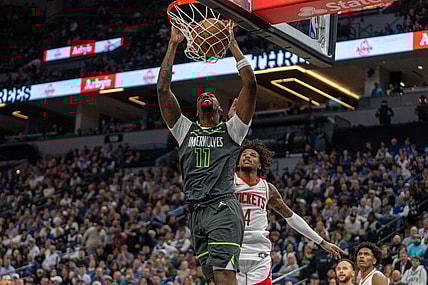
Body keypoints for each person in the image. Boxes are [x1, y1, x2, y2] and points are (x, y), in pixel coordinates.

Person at [157, 24, 257, 285]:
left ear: (221, 111)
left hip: (221, 206)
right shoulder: (184, 130)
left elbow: (251, 84)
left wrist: (232, 44)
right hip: (196, 212)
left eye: (213, 96)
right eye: (203, 95)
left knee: (224, 277)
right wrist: (173, 45)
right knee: (213, 278)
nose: (207, 95)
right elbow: (162, 91)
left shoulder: (232, 131)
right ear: (197, 110)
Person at [233, 139, 344, 285]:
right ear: (238, 162)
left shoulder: (267, 188)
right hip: (232, 250)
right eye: (244, 154)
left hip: (258, 253)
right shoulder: (228, 183)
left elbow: (292, 218)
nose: (247, 156)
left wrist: (321, 241)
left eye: (253, 155)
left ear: (260, 164)